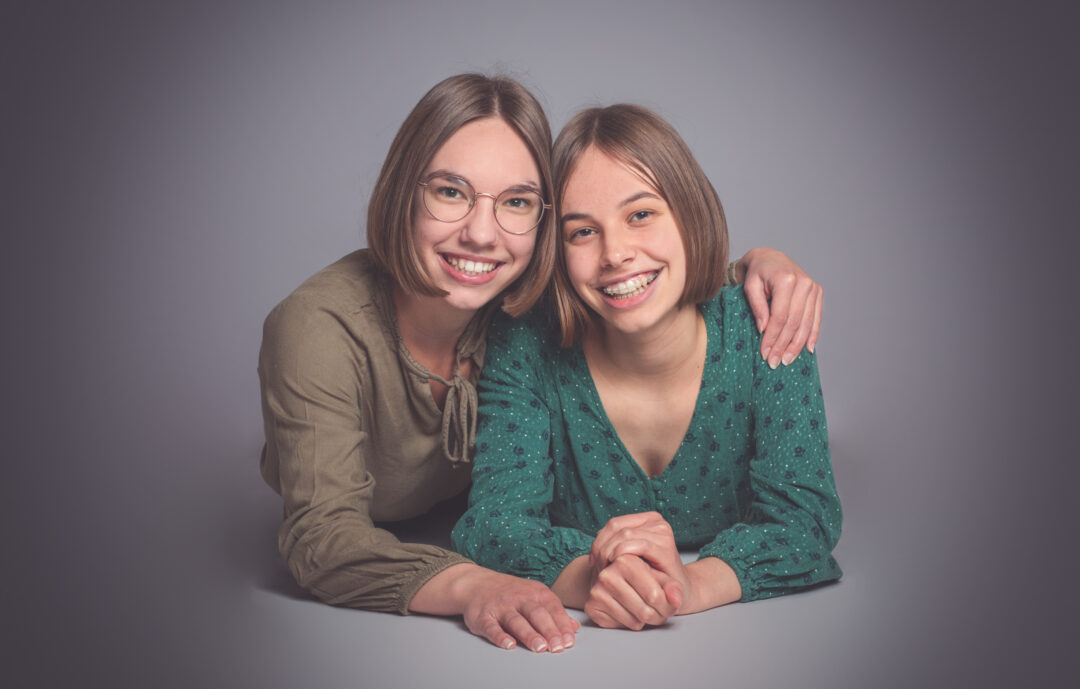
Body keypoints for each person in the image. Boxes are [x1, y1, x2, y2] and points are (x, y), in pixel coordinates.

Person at [259, 74, 824, 651]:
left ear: (537, 225)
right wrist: (506, 585)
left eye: (517, 203)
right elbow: (338, 537)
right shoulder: (331, 328)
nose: (482, 234)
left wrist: (763, 261)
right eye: (449, 192)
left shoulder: (524, 294)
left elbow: (648, 276)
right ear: (404, 189)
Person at [452, 104, 842, 630]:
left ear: (688, 212)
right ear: (555, 251)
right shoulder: (526, 344)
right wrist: (592, 578)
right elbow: (493, 526)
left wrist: (691, 586)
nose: (616, 253)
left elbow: (806, 522)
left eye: (640, 214)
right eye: (582, 232)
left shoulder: (767, 324)